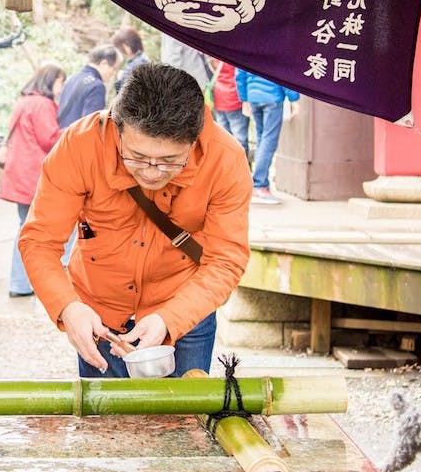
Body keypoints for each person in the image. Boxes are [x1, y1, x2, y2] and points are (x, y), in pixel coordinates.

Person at [19, 64, 252, 378]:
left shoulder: (226, 159)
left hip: (185, 308)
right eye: (137, 157)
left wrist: (170, 319)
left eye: (170, 161)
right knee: (106, 423)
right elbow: (39, 242)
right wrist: (68, 308)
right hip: (99, 314)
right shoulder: (79, 146)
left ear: (194, 139)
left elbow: (226, 259)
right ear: (117, 127)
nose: (152, 172)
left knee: (184, 424)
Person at [0, 64, 66, 298]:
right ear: (50, 81)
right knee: (29, 231)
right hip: (33, 175)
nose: (62, 87)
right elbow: (50, 139)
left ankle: (20, 282)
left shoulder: (24, 101)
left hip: (19, 174)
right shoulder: (42, 104)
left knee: (23, 227)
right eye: (60, 82)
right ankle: (20, 283)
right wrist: (73, 131)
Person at [236, 69, 299, 205]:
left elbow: (239, 74)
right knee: (268, 141)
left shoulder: (247, 47)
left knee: (262, 140)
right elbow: (285, 72)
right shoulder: (277, 47)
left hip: (253, 97)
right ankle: (260, 186)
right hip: (272, 97)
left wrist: (244, 99)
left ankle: (259, 185)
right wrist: (294, 99)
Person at [57, 45, 119, 129]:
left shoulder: (73, 78)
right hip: (77, 139)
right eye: (114, 68)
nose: (114, 73)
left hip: (62, 136)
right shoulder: (97, 87)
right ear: (104, 63)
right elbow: (90, 126)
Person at [211, 60, 249, 158]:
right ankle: (241, 169)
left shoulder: (216, 54)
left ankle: (226, 170)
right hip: (233, 98)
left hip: (219, 98)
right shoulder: (233, 57)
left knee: (223, 142)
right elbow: (240, 76)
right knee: (239, 140)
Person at [111, 26, 150, 92]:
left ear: (126, 46)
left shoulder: (138, 63)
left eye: (119, 48)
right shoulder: (140, 60)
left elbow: (126, 93)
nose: (120, 51)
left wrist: (121, 78)